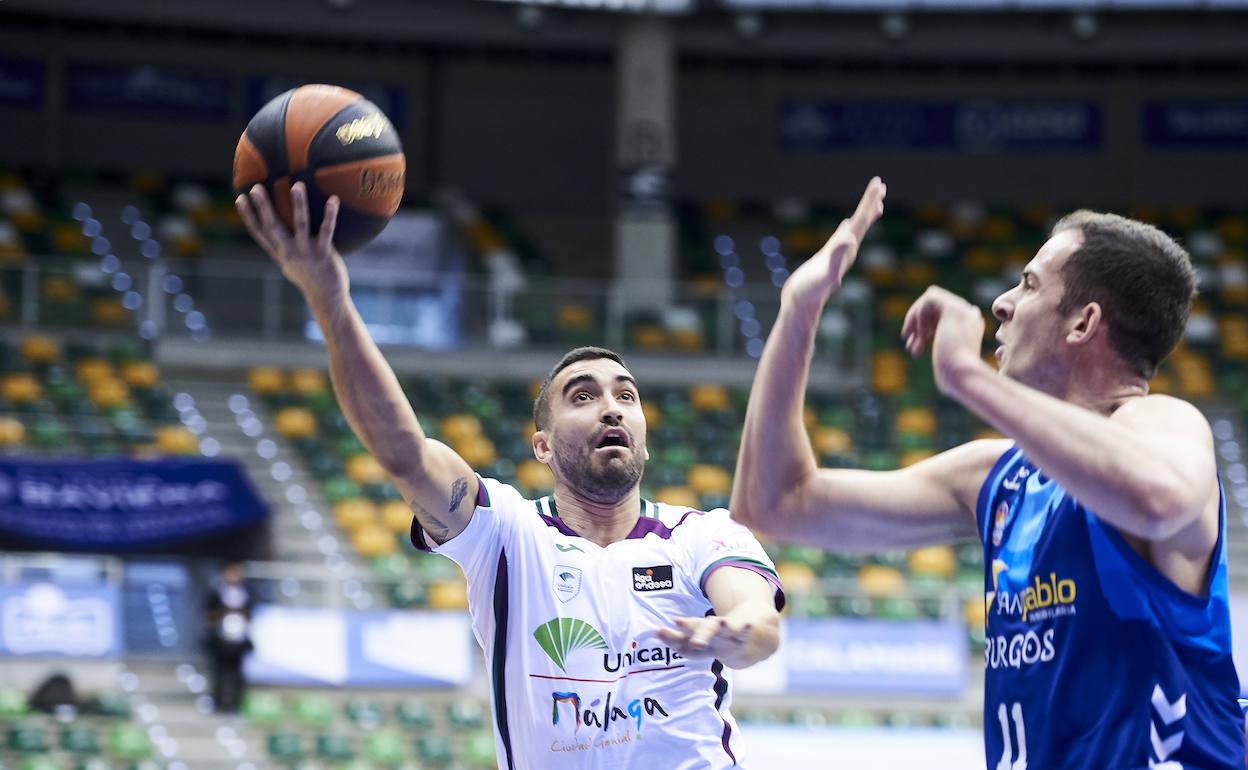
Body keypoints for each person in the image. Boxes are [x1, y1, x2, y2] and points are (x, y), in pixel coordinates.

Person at [235, 183, 783, 770]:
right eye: (583, 395)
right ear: (541, 446)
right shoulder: (506, 531)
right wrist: (331, 302)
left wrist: (737, 632)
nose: (611, 407)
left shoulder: (703, 535)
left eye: (626, 395)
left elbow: (757, 617)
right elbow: (403, 453)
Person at [732, 178, 1244, 769]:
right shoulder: (998, 475)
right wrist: (799, 309)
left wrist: (963, 374)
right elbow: (775, 501)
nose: (1001, 303)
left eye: (1027, 285)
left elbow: (1158, 500)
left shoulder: (1164, 424)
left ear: (1083, 324)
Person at [203, 561, 254, 713]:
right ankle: (218, 703)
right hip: (221, 638)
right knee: (219, 671)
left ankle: (236, 704)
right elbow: (209, 614)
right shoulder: (217, 592)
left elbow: (251, 614)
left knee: (237, 673)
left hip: (239, 638)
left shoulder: (247, 593)